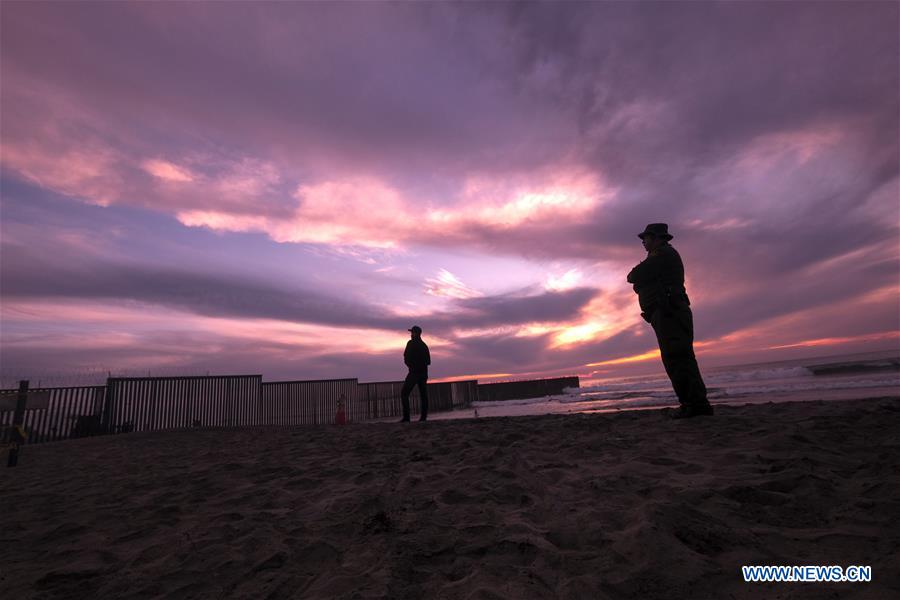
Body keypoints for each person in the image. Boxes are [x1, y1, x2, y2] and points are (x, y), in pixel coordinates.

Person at [627, 223, 713, 418]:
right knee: (675, 359)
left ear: (656, 238)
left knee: (678, 358)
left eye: (646, 238)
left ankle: (696, 405)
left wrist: (641, 281)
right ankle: (691, 404)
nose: (643, 241)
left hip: (670, 312)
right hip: (666, 313)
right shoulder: (659, 256)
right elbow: (637, 278)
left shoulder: (663, 254)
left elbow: (634, 276)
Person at [400, 325, 430, 422]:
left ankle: (406, 417)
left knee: (404, 393)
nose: (411, 334)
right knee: (423, 395)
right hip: (423, 373)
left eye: (412, 332)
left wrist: (411, 366)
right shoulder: (424, 345)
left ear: (415, 333)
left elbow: (406, 357)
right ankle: (423, 417)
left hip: (414, 373)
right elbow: (428, 361)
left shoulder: (410, 343)